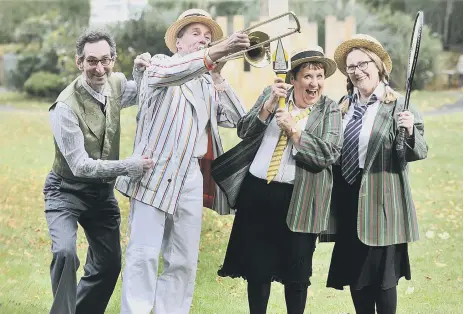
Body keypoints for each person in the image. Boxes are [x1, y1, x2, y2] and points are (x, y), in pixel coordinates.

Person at [114, 8, 249, 314]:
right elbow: (175, 74)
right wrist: (217, 51)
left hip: (190, 173)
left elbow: (241, 122)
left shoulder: (206, 81)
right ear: (178, 41)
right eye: (196, 34)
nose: (203, 40)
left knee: (183, 258)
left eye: (208, 36)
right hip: (155, 169)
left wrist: (217, 74)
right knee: (143, 253)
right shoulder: (160, 64)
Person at [212, 46, 343, 314]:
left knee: (296, 275)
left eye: (319, 76)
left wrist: (294, 132)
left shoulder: (329, 109)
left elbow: (328, 154)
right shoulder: (272, 97)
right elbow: (244, 131)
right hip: (258, 193)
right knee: (257, 271)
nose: (314, 83)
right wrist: (268, 107)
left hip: (300, 198)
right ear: (292, 79)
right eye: (307, 76)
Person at [43, 28, 154, 314]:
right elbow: (80, 165)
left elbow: (138, 94)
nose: (99, 68)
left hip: (101, 195)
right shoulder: (64, 107)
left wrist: (139, 71)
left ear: (113, 59)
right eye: (92, 61)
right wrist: (128, 167)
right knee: (65, 253)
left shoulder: (115, 82)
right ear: (79, 62)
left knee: (109, 264)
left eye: (106, 60)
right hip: (65, 191)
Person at [324, 34, 428, 314]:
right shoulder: (343, 106)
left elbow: (416, 152)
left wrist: (407, 131)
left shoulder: (398, 106)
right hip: (349, 197)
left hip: (383, 201)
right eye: (351, 67)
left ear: (379, 65)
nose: (357, 71)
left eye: (363, 64)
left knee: (383, 281)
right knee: (357, 278)